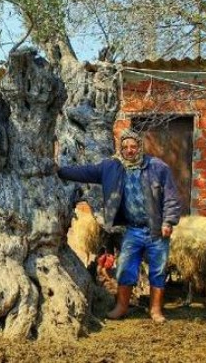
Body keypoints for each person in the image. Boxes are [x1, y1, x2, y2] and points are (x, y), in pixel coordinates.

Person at [57, 129, 181, 323]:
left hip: (156, 230)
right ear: (121, 149)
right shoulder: (112, 167)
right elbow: (84, 172)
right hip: (133, 229)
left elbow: (172, 197)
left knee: (157, 270)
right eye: (125, 147)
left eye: (133, 146)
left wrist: (168, 222)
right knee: (125, 268)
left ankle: (156, 310)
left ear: (139, 147)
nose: (129, 150)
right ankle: (121, 307)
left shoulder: (157, 167)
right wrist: (58, 170)